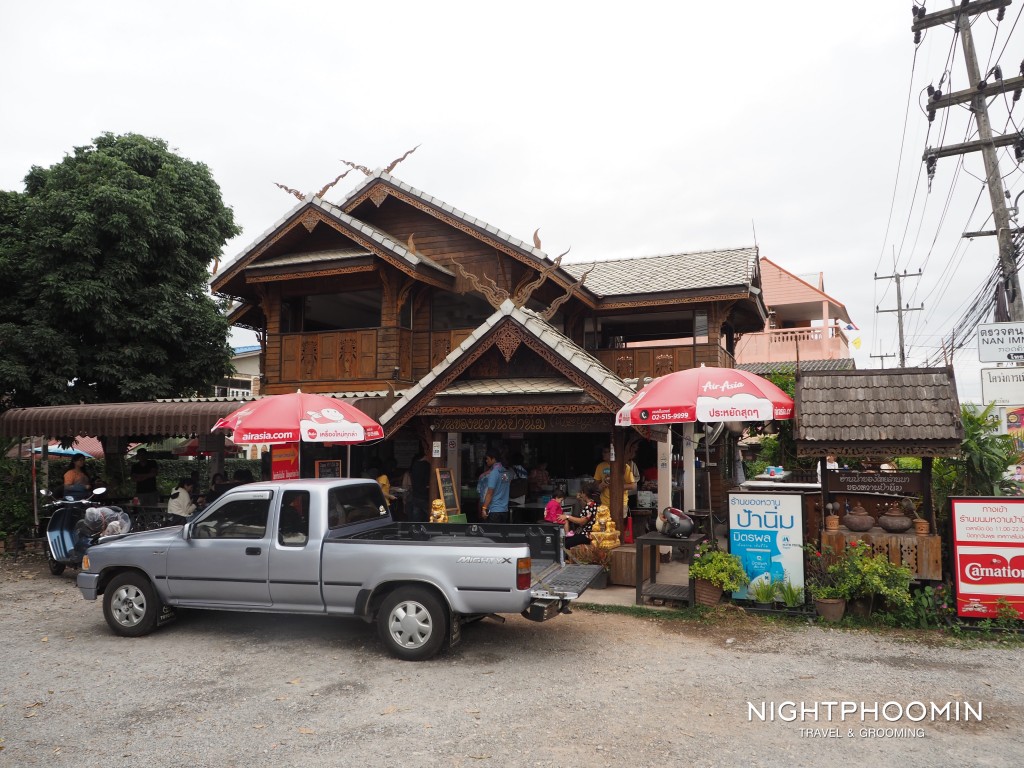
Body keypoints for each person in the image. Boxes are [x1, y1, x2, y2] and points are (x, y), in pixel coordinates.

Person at [593, 446, 637, 514]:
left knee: (619, 523)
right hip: (605, 503)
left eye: (605, 452)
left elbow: (633, 486)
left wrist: (617, 486)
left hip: (621, 503)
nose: (602, 454)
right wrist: (600, 486)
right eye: (602, 452)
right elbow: (596, 485)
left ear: (612, 453)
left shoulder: (624, 467)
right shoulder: (600, 466)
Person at [479, 449, 512, 523]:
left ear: (493, 459)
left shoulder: (494, 473)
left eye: (487, 458)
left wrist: (484, 508)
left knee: (492, 533)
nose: (486, 461)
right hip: (504, 510)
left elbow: (490, 492)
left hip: (494, 511)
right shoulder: (505, 472)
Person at [561, 483, 598, 549]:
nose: (581, 494)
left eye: (582, 493)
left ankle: (568, 559)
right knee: (567, 539)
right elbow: (585, 508)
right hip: (584, 532)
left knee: (566, 543)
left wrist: (567, 517)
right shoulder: (592, 503)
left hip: (586, 535)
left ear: (585, 494)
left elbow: (582, 521)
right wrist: (580, 500)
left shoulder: (590, 506)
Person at [407, 451, 432, 523]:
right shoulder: (427, 465)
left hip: (415, 494)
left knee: (416, 515)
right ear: (425, 456)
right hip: (424, 495)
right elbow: (428, 482)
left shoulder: (415, 465)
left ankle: (415, 528)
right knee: (429, 515)